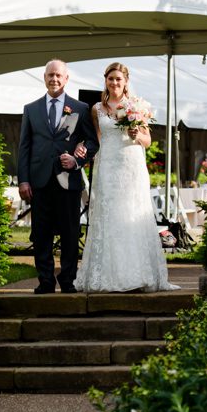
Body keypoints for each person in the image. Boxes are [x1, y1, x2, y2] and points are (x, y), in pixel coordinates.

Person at [73, 62, 179, 293]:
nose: (114, 83)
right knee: (109, 217)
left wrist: (137, 134)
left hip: (131, 165)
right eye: (111, 79)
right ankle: (107, 275)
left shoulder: (135, 106)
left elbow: (148, 141)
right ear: (106, 81)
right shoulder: (96, 109)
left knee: (131, 214)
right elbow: (97, 139)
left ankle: (137, 274)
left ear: (126, 82)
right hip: (107, 166)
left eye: (118, 79)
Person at [18, 59, 98, 294]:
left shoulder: (80, 108)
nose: (54, 79)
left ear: (66, 79)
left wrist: (77, 160)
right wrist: (23, 179)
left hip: (68, 181)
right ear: (44, 77)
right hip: (39, 181)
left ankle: (67, 281)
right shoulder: (30, 109)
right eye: (50, 75)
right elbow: (24, 147)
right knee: (41, 233)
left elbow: (92, 142)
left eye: (58, 75)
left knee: (70, 233)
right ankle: (45, 281)